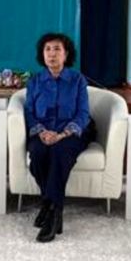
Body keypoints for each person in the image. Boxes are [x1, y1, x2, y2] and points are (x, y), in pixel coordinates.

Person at [24, 32, 93, 243]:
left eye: (57, 49)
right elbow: (29, 112)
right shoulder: (35, 81)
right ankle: (51, 203)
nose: (52, 54)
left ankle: (53, 213)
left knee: (60, 153)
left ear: (66, 54)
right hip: (43, 131)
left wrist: (62, 134)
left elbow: (83, 113)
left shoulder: (77, 80)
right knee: (37, 154)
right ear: (42, 54)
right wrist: (42, 132)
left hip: (71, 132)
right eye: (47, 49)